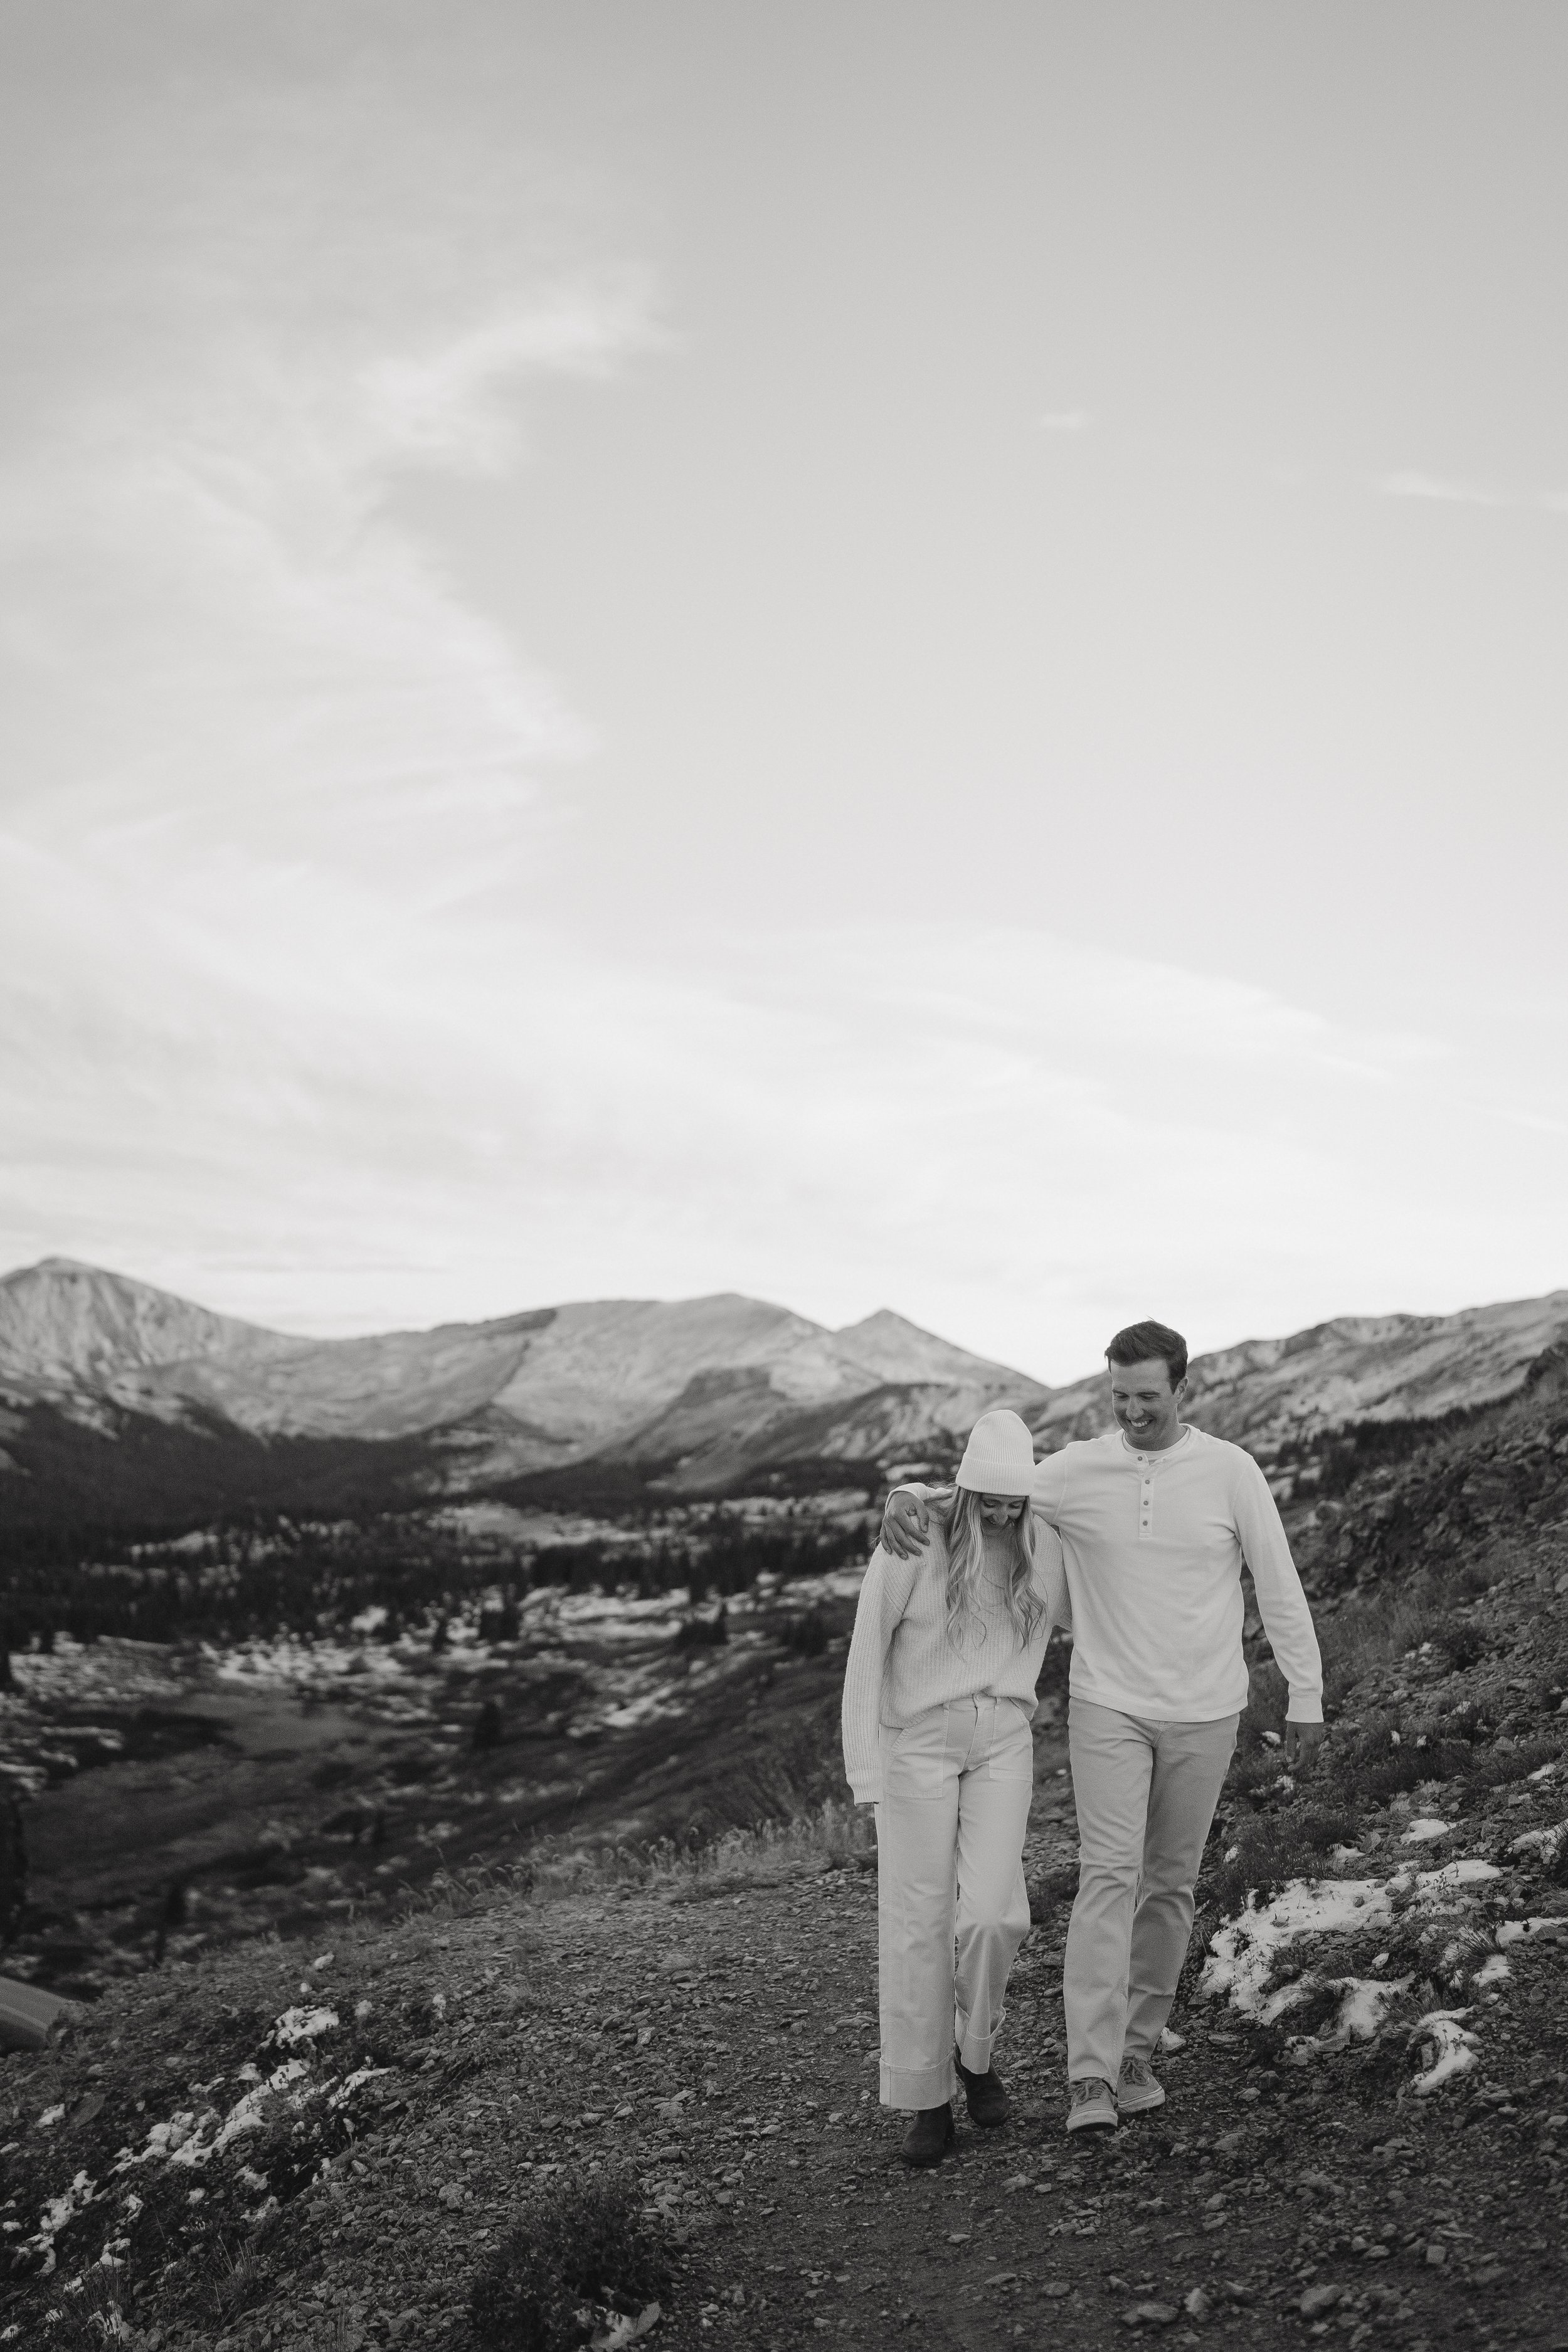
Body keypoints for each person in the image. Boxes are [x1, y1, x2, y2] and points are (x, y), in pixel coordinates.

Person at [880, 1320, 1324, 2136]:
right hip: (1108, 1704)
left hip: (1206, 1710)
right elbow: (989, 1489)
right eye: (1120, 1397)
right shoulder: (1080, 1468)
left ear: (1181, 1388)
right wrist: (908, 1497)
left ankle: (1137, 2053)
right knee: (1108, 1878)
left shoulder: (1231, 1471)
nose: (1133, 1412)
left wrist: (1307, 1692)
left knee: (1170, 1886)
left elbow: (1279, 1579)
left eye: (1148, 1397)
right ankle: (1089, 2075)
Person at [842, 1407, 1071, 2167]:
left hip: (1003, 1738)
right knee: (915, 1922)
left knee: (994, 1916)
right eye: (993, 1501)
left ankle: (976, 2058)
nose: (1006, 1514)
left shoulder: (1046, 1546)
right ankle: (926, 2099)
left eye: (1017, 1502)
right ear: (966, 1490)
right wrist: (865, 1772)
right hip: (918, 1745)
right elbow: (865, 1654)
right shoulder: (915, 1541)